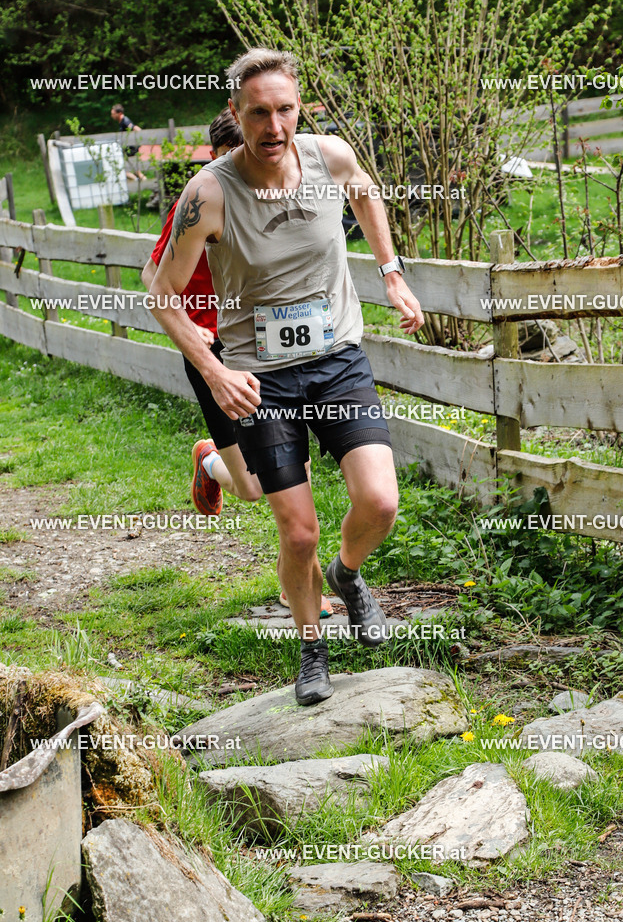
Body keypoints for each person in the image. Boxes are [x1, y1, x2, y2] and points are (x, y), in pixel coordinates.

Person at [147, 48, 424, 706]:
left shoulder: (329, 157)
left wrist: (390, 271)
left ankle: (348, 574)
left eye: (285, 110)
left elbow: (366, 192)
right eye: (258, 114)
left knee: (380, 501)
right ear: (237, 115)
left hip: (335, 360)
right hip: (258, 376)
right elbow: (161, 292)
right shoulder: (208, 194)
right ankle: (310, 650)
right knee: (296, 529)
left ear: (300, 107)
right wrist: (213, 372)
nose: (274, 127)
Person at [140, 106, 332, 618]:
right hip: (211, 356)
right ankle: (211, 458)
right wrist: (195, 334)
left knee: (292, 482)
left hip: (262, 353)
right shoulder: (199, 201)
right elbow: (151, 276)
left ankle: (309, 593)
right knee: (250, 488)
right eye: (228, 163)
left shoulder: (271, 195)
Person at [110, 103, 145, 181]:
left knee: (125, 171)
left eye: (113, 114)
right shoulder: (122, 122)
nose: (112, 116)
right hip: (128, 150)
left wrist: (143, 137)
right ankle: (140, 182)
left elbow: (134, 127)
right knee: (136, 172)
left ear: (119, 113)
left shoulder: (125, 121)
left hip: (131, 149)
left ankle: (139, 182)